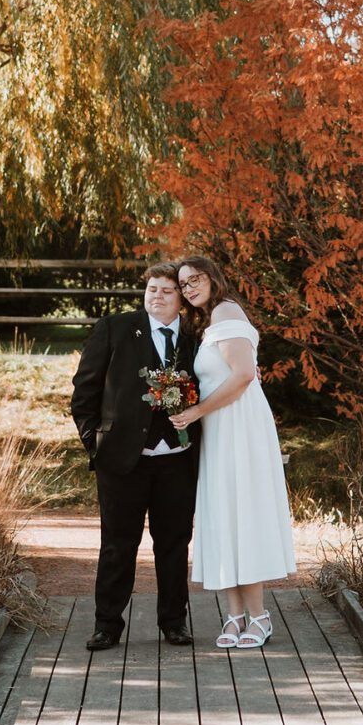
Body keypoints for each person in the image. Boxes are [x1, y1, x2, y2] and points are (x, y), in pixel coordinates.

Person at [70, 263, 199, 652]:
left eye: (166, 291)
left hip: (178, 458)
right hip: (122, 460)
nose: (156, 296)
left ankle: (174, 622)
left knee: (174, 543)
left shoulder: (196, 337)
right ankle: (107, 625)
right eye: (151, 289)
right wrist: (95, 444)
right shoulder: (116, 328)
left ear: (181, 299)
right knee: (118, 544)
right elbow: (84, 392)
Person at [172, 253, 295, 650]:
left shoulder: (226, 311)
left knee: (243, 514)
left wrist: (195, 412)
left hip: (240, 427)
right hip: (220, 431)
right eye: (183, 283)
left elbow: (243, 376)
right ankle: (235, 615)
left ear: (212, 278)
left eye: (194, 279)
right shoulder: (210, 321)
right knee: (223, 515)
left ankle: (259, 616)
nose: (188, 288)